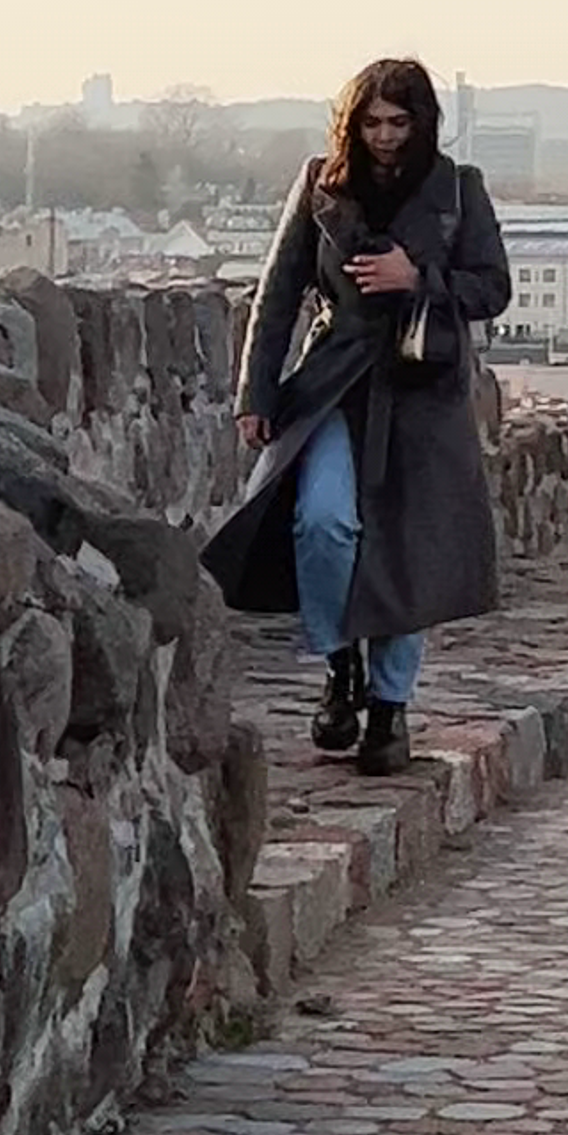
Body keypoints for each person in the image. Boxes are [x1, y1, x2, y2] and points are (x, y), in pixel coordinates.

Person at [207, 57, 512, 777]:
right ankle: (338, 661)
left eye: (398, 122)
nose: (383, 136)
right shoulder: (322, 185)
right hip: (335, 381)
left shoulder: (458, 190)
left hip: (423, 389)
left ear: (421, 122)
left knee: (405, 551)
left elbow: (493, 286)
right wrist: (257, 394)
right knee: (323, 521)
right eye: (371, 121)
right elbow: (277, 293)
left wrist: (420, 279)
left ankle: (390, 707)